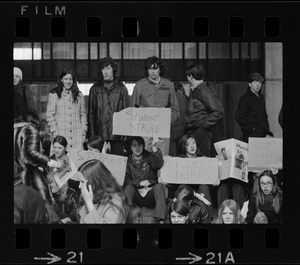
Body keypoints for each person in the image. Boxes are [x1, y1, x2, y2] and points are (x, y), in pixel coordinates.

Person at [14, 109, 61, 223]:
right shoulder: (29, 129)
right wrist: (51, 162)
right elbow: (30, 154)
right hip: (30, 178)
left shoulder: (14, 130)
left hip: (17, 179)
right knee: (45, 213)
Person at [131, 56, 180, 156]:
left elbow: (175, 110)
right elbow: (132, 110)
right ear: (147, 70)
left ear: (160, 69)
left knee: (163, 160)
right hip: (145, 131)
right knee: (145, 159)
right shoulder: (139, 86)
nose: (152, 71)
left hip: (162, 131)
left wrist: (166, 120)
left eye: (155, 68)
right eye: (150, 69)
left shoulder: (169, 85)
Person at [87, 57, 130, 156]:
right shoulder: (94, 89)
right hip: (99, 136)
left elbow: (127, 113)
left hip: (117, 136)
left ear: (113, 70)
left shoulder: (122, 88)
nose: (106, 72)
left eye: (108, 68)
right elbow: (91, 114)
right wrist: (92, 134)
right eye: (103, 69)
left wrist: (125, 133)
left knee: (117, 166)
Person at [123, 136, 166, 223]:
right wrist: (139, 183)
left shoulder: (149, 156)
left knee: (159, 186)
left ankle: (160, 219)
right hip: (136, 195)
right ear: (130, 147)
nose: (137, 148)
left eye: (139, 145)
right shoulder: (127, 160)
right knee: (128, 188)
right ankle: (127, 217)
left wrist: (154, 147)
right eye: (134, 145)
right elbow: (126, 180)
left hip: (150, 193)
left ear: (143, 146)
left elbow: (158, 164)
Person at [184, 63, 224, 157]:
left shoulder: (203, 90)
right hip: (199, 132)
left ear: (190, 76)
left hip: (203, 133)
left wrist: (203, 124)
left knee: (203, 160)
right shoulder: (197, 90)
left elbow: (218, 110)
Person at [176, 133, 217, 221]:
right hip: (186, 189)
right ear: (184, 147)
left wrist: (214, 181)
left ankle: (208, 219)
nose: (192, 146)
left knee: (204, 187)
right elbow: (174, 178)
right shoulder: (179, 161)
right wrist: (164, 180)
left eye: (193, 143)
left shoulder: (204, 160)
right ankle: (179, 215)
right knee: (182, 186)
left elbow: (209, 178)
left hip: (200, 189)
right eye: (188, 144)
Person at [77, 159, 130, 223]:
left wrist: (89, 203)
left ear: (94, 182)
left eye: (82, 182)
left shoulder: (116, 201)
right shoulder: (89, 198)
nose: (79, 186)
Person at [46, 68, 87, 151]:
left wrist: (83, 133)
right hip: (60, 136)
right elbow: (50, 115)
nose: (68, 82)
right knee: (60, 162)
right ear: (61, 80)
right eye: (66, 79)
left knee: (76, 163)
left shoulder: (79, 95)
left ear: (73, 80)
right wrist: (55, 133)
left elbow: (83, 115)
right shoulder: (54, 94)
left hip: (77, 137)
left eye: (70, 79)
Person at [235, 72, 273, 143]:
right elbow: (239, 116)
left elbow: (264, 116)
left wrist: (267, 132)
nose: (258, 84)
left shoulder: (261, 98)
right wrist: (251, 129)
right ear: (250, 84)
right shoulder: (245, 98)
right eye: (255, 82)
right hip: (251, 135)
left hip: (262, 135)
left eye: (259, 82)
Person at [169, 81, 187, 157]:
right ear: (180, 89)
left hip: (171, 130)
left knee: (172, 155)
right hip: (182, 129)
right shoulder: (184, 98)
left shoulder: (169, 97)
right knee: (181, 153)